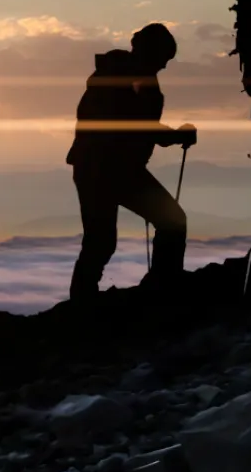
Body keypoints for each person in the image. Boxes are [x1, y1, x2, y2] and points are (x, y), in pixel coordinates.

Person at [67, 23, 196, 299]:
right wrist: (174, 136)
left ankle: (84, 301)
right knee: (106, 239)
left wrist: (172, 135)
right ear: (149, 53)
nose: (163, 66)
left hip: (105, 168)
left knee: (101, 240)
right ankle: (162, 285)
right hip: (103, 169)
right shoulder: (121, 77)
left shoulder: (129, 76)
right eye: (162, 59)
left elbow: (139, 124)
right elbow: (132, 125)